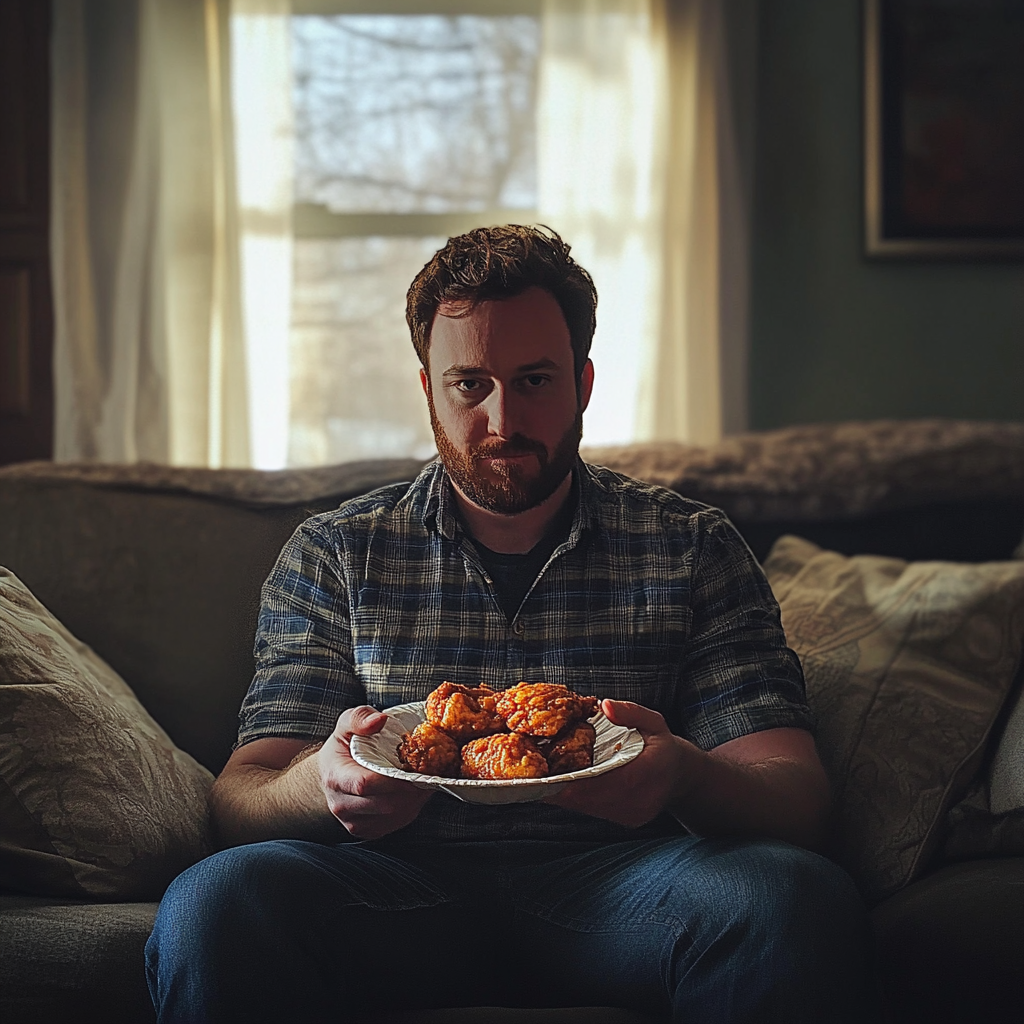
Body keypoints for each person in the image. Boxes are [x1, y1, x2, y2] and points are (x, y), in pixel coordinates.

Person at [146, 225, 876, 1023]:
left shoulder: (691, 546)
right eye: (470, 385)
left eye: (534, 379)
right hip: (392, 892)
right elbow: (242, 796)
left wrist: (686, 775)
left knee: (789, 894)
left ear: (584, 383)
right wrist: (323, 783)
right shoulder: (336, 553)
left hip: (631, 889)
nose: (502, 419)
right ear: (428, 389)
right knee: (217, 899)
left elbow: (795, 794)